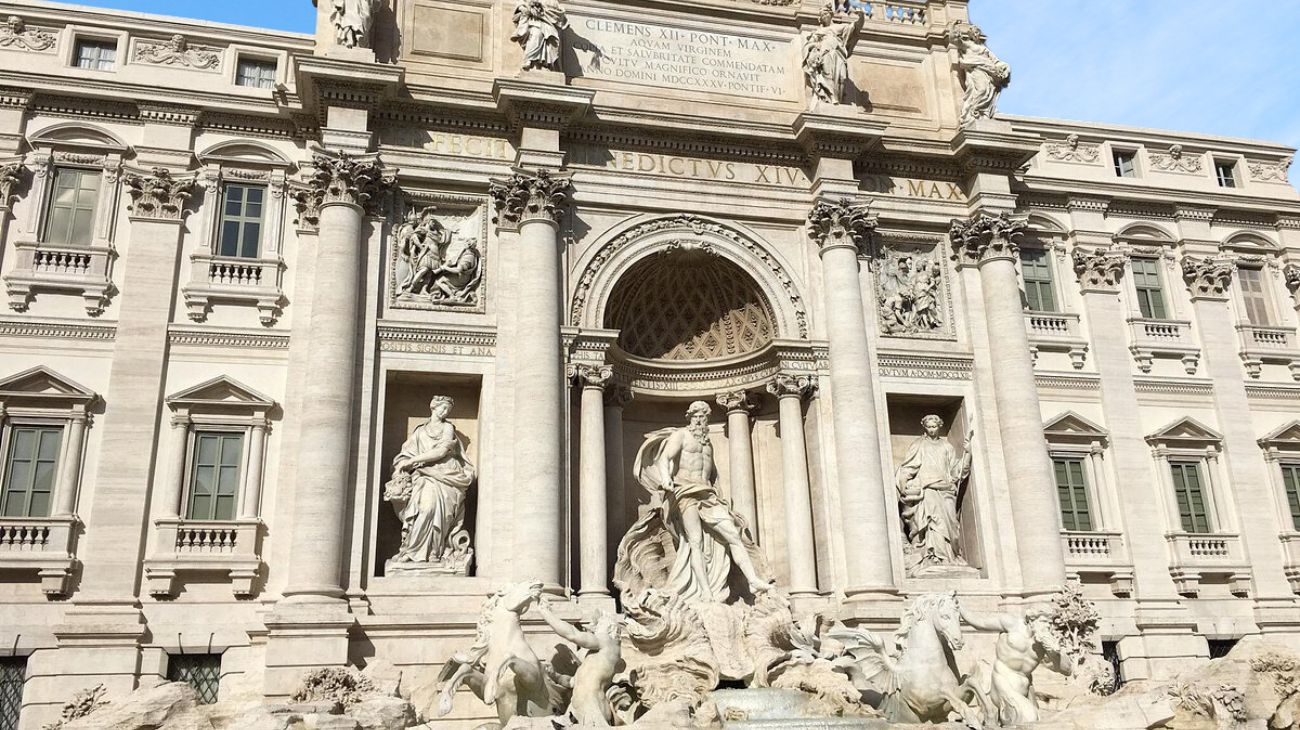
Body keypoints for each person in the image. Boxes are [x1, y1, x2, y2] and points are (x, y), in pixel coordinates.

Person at [615, 401, 772, 604]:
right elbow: (664, 459)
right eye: (695, 416)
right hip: (686, 492)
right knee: (695, 542)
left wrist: (719, 495)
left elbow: (712, 474)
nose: (699, 420)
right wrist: (666, 478)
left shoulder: (708, 444)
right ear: (689, 418)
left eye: (703, 416)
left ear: (707, 419)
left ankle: (753, 580)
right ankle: (705, 592)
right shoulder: (681, 435)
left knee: (733, 534)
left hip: (707, 495)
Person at [388, 396, 477, 565]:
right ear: (433, 407)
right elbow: (405, 454)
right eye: (443, 408)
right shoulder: (420, 431)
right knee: (425, 509)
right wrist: (404, 464)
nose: (445, 412)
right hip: (424, 476)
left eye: (448, 410)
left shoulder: (448, 427)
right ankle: (412, 551)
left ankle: (435, 552)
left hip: (446, 475)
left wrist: (413, 461)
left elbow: (441, 451)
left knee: (441, 514)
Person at [958, 603, 1071, 725]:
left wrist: (1055, 652)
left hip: (1025, 690)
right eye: (1044, 621)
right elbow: (979, 622)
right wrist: (957, 605)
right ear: (1031, 620)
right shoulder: (1012, 624)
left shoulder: (1045, 643)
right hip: (1002, 683)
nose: (1047, 626)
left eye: (1050, 623)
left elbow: (1067, 670)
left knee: (1039, 722)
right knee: (1029, 717)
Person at [895, 415, 973, 570]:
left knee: (951, 524)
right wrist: (904, 484)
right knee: (934, 522)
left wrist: (968, 453)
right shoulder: (919, 445)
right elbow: (908, 467)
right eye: (929, 427)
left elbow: (957, 473)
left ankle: (950, 557)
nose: (931, 430)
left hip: (946, 491)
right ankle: (933, 557)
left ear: (939, 426)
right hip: (928, 490)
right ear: (925, 427)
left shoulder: (947, 447)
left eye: (934, 427)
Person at [536, 599, 623, 726]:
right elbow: (571, 682)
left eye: (598, 626)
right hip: (576, 711)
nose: (592, 632)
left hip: (592, 710)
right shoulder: (595, 658)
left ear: (609, 628)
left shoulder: (608, 643)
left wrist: (546, 613)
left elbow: (573, 634)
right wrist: (555, 675)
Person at [801, 6, 863, 105]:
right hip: (825, 55)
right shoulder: (819, 31)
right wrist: (815, 45)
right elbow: (809, 44)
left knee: (842, 77)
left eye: (826, 14)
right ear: (820, 19)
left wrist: (861, 16)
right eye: (822, 15)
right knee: (828, 76)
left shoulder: (841, 27)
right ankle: (832, 98)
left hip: (838, 54)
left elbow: (856, 27)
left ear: (831, 14)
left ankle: (838, 99)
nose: (824, 16)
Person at [512, 0, 567, 71]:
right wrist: (523, 8)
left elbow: (559, 13)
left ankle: (546, 63)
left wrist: (546, 12)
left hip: (547, 23)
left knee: (551, 37)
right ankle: (529, 59)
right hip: (535, 21)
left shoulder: (553, 1)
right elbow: (520, 3)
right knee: (536, 35)